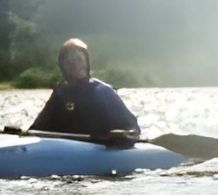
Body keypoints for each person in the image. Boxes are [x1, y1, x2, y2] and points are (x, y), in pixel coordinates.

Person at [9, 38, 139, 144]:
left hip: (98, 150)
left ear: (86, 63)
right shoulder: (60, 94)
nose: (74, 64)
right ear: (62, 65)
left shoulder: (103, 92)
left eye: (78, 59)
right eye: (69, 61)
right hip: (63, 153)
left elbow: (133, 129)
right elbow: (37, 129)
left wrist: (123, 136)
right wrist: (20, 136)